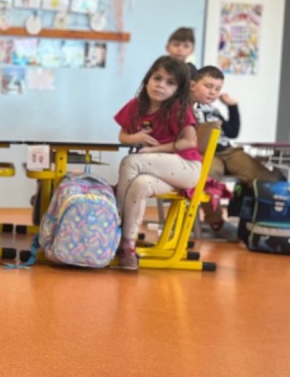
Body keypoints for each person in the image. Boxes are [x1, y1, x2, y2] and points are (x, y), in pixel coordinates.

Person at [114, 56, 202, 271]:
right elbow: (123, 136)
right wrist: (135, 138)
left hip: (186, 167)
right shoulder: (136, 105)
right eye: (157, 78)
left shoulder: (179, 108)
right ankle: (128, 245)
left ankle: (114, 225)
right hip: (158, 170)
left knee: (130, 162)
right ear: (148, 79)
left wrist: (154, 149)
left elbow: (190, 142)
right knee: (140, 184)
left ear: (178, 89)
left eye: (170, 83)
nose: (161, 85)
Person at [191, 65, 282, 239]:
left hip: (228, 151)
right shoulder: (187, 107)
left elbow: (232, 132)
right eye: (208, 86)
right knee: (208, 178)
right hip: (205, 152)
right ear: (193, 85)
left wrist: (233, 107)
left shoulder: (213, 110)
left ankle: (266, 220)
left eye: (217, 88)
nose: (213, 92)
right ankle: (216, 221)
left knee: (265, 178)